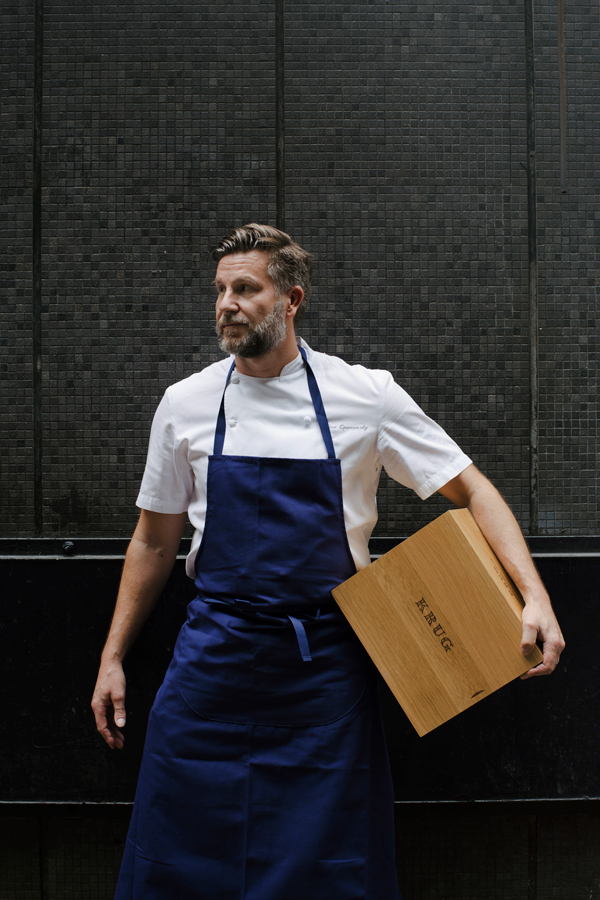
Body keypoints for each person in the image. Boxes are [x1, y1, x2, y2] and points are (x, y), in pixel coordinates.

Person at [92, 223, 564, 900]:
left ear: (291, 300)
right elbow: (155, 542)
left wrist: (534, 596)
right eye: (220, 289)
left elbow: (473, 488)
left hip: (325, 678)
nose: (227, 303)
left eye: (246, 288)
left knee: (331, 869)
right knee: (178, 855)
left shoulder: (363, 396)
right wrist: (113, 656)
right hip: (212, 669)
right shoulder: (186, 403)